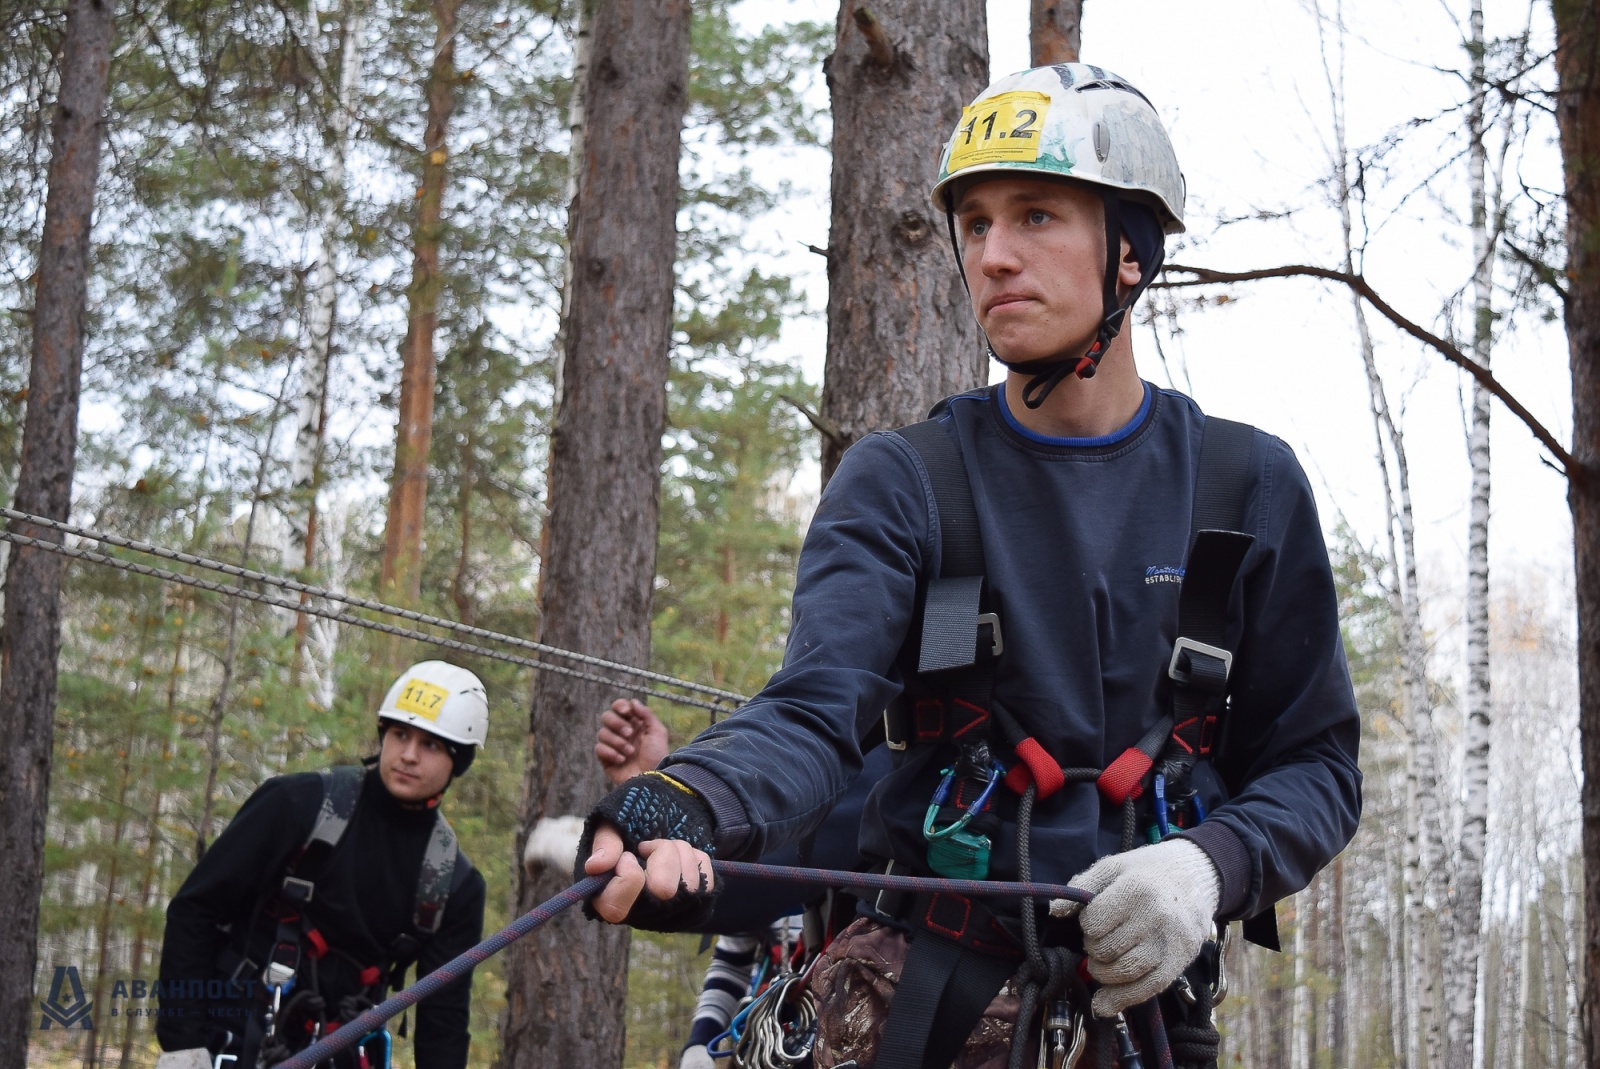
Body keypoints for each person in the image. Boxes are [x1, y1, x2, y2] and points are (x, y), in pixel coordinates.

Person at [576, 62, 1362, 1069]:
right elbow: (815, 712)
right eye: (976, 223)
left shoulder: (1247, 488)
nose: (993, 255)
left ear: (1131, 252)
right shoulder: (905, 482)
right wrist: (679, 796)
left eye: (1036, 216)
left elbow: (1316, 763)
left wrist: (1207, 868)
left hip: (1148, 1018)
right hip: (919, 1003)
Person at [156, 661, 489, 1069]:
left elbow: (444, 1015)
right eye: (400, 734)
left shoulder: (453, 882)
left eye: (431, 745)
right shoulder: (299, 805)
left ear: (459, 761)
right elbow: (196, 909)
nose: (408, 755)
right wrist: (182, 1046)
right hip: (235, 1035)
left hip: (342, 1051)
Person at [593, 699, 892, 1069]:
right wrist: (699, 1043)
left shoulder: (877, 779)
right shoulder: (800, 813)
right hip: (777, 1033)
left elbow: (742, 891)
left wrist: (652, 833)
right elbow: (733, 952)